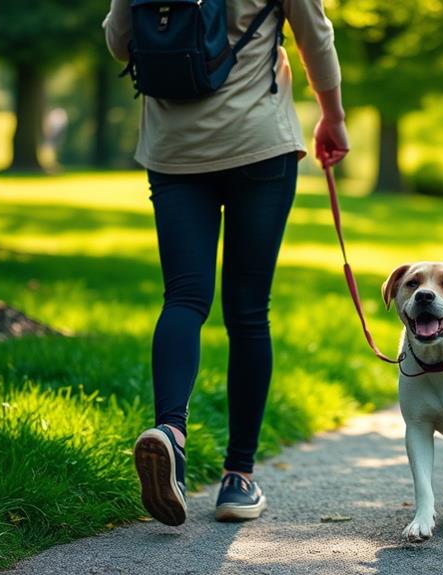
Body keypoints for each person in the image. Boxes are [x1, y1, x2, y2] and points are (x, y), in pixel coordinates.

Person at [103, 0, 348, 526]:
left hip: (173, 149)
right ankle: (238, 478)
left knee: (185, 298)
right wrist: (333, 117)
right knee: (248, 311)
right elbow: (315, 37)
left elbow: (119, 40)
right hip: (257, 143)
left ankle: (169, 430)